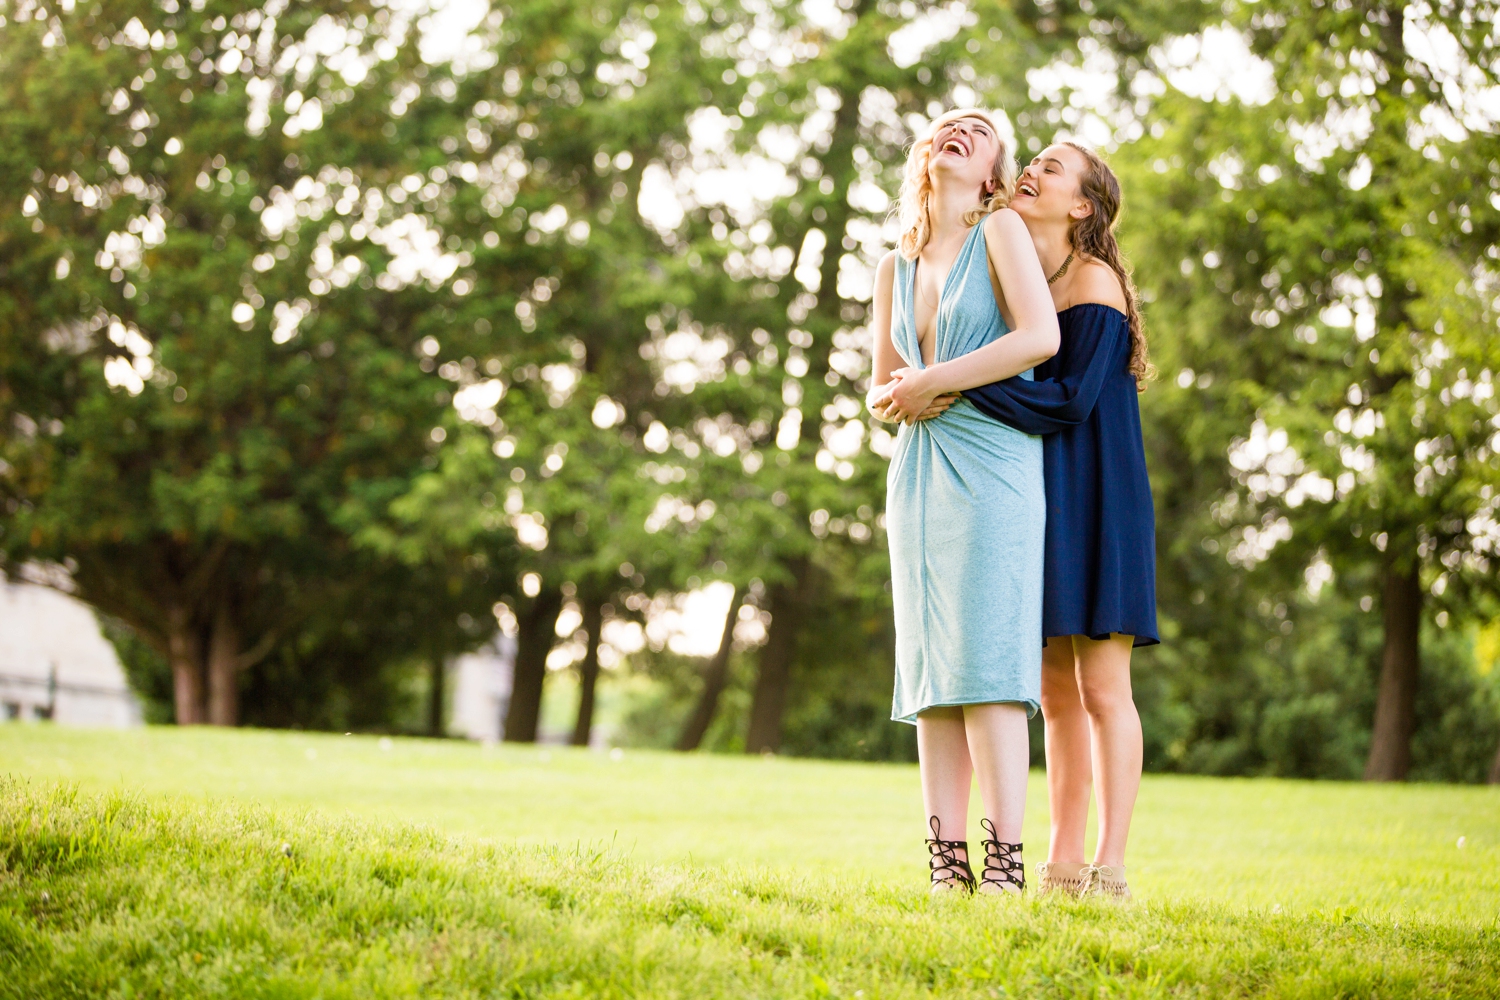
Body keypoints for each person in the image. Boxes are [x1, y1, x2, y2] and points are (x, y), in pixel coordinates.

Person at [867, 109, 1059, 895]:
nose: (957, 130)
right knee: (932, 674)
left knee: (988, 661)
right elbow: (880, 386)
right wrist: (893, 400)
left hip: (995, 468)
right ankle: (948, 868)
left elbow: (1040, 337)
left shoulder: (1002, 231)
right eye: (947, 124)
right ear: (926, 154)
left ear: (990, 172)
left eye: (977, 131)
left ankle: (1005, 863)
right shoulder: (893, 265)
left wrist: (933, 381)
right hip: (916, 478)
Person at [960, 142, 1159, 900]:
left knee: (1105, 688)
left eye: (1050, 165)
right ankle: (1061, 861)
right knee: (1054, 690)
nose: (1030, 171)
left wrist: (957, 389)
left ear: (1082, 206)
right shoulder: (1028, 279)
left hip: (1102, 503)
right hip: (1047, 500)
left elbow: (1071, 403)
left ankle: (1109, 866)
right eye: (1030, 161)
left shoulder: (1094, 281)